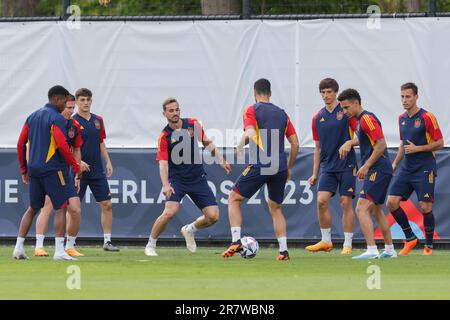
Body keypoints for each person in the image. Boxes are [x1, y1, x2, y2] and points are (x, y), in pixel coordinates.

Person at [221, 78, 299, 261]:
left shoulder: (252, 110)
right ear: (270, 93)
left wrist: (240, 146)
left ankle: (235, 241)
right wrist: (289, 167)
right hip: (279, 165)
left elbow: (250, 132)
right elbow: (295, 143)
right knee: (276, 208)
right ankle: (284, 251)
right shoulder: (282, 114)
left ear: (254, 94)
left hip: (262, 162)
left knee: (233, 199)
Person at [145, 98, 231, 256]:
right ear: (164, 114)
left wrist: (221, 160)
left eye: (177, 109)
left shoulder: (192, 123)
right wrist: (165, 185)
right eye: (171, 111)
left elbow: (207, 142)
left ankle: (190, 229)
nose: (175, 113)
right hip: (178, 181)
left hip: (198, 179)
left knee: (213, 216)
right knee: (170, 212)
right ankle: (150, 244)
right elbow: (163, 164)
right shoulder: (164, 136)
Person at [14, 85, 88, 260]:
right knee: (61, 207)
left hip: (34, 169)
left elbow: (20, 143)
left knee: (33, 208)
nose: (66, 104)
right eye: (64, 101)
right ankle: (60, 251)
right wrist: (76, 167)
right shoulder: (56, 118)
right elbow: (62, 145)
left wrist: (24, 169)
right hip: (53, 169)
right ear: (56, 99)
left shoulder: (32, 116)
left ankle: (18, 248)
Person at [338, 89, 397, 259]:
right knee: (376, 210)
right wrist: (350, 142)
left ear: (356, 103)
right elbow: (366, 139)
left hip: (378, 168)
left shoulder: (366, 119)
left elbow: (381, 144)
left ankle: (371, 250)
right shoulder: (360, 120)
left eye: (346, 107)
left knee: (361, 208)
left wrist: (365, 166)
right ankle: (390, 250)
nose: (344, 111)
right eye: (342, 108)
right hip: (378, 168)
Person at [386, 82, 444, 256]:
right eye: (402, 96)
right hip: (406, 168)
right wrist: (395, 163)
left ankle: (429, 246)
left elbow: (440, 143)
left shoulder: (427, 117)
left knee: (425, 206)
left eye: (408, 96)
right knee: (391, 202)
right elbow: (403, 145)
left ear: (416, 97)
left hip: (425, 168)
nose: (404, 100)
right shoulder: (401, 118)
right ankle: (410, 238)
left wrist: (418, 148)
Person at [306, 78, 357, 254]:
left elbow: (362, 136)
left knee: (345, 203)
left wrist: (350, 142)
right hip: (327, 167)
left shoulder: (346, 113)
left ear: (335, 92)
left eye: (329, 92)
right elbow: (318, 148)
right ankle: (326, 241)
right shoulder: (317, 118)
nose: (326, 95)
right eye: (323, 92)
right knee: (321, 201)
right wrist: (314, 173)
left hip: (347, 164)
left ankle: (348, 244)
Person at [34, 95, 87, 257]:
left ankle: (69, 245)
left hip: (65, 172)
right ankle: (39, 246)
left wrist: (77, 173)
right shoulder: (48, 121)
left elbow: (76, 149)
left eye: (72, 108)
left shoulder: (74, 126)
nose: (70, 111)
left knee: (76, 209)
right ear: (60, 106)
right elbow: (31, 146)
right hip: (49, 170)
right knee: (48, 205)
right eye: (67, 108)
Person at [73, 88, 119, 251]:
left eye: (88, 100)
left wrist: (108, 161)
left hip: (97, 171)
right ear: (77, 101)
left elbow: (101, 143)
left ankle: (107, 241)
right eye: (82, 100)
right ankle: (70, 242)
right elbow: (68, 147)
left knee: (107, 204)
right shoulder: (72, 122)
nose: (85, 103)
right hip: (78, 172)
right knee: (74, 208)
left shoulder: (98, 120)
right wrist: (78, 163)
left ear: (91, 101)